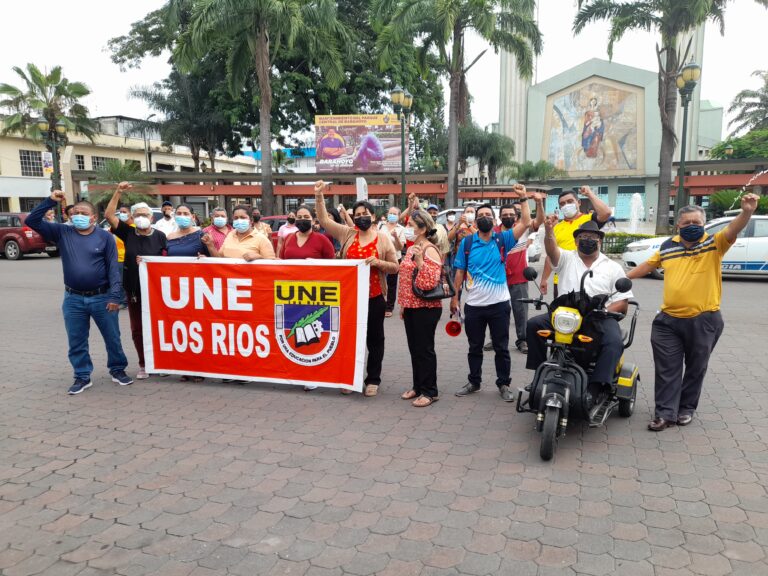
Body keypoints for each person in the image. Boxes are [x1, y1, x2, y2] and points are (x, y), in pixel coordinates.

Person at [627, 197, 760, 431]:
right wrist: (623, 278)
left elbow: (732, 229)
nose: (692, 225)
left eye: (696, 221)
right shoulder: (668, 246)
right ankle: (665, 414)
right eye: (686, 222)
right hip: (667, 321)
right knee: (667, 368)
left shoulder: (714, 243)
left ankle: (686, 408)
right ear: (678, 225)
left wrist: (747, 212)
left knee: (696, 367)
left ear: (704, 223)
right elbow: (649, 265)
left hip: (704, 319)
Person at [26, 190, 132, 394]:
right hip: (73, 298)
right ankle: (82, 376)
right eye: (75, 213)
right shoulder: (62, 232)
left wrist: (114, 296)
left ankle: (117, 369)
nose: (78, 216)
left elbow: (113, 268)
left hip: (102, 297)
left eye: (83, 213)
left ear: (94, 217)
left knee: (113, 337)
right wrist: (50, 201)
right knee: (76, 339)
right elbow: (32, 220)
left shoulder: (105, 237)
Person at [527, 218, 632, 403]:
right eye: (583, 237)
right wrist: (549, 231)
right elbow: (551, 250)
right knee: (533, 325)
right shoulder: (566, 258)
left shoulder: (613, 267)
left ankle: (597, 386)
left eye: (592, 237)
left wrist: (604, 310)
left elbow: (622, 303)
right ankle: (538, 375)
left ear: (599, 241)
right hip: (566, 315)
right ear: (576, 241)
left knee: (614, 343)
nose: (587, 240)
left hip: (599, 316)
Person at [315, 180, 399, 397]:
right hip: (350, 299)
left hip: (374, 297)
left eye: (365, 213)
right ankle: (349, 377)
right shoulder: (347, 234)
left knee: (374, 339)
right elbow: (324, 220)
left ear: (372, 216)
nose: (361, 216)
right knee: (349, 339)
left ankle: (373, 379)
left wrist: (378, 263)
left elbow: (395, 268)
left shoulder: (382, 238)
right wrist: (319, 195)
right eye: (357, 213)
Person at [451, 186, 531, 402]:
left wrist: (523, 198)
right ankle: (474, 382)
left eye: (488, 215)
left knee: (501, 347)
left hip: (499, 304)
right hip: (474, 306)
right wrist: (455, 297)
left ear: (494, 220)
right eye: (481, 216)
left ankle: (504, 384)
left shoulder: (502, 239)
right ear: (475, 222)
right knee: (474, 347)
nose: (484, 218)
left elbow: (525, 222)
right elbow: (460, 270)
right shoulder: (467, 243)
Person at [105, 183, 167, 381]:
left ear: (152, 217)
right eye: (137, 214)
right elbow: (108, 216)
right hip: (134, 291)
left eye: (145, 214)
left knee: (158, 327)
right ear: (132, 218)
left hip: (157, 292)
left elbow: (168, 261)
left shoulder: (161, 236)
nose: (142, 218)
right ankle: (143, 363)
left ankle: (160, 361)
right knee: (137, 328)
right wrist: (119, 192)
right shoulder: (127, 232)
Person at [398, 210, 444, 407]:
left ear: (423, 228)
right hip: (411, 306)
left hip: (427, 307)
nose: (408, 228)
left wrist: (420, 263)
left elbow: (429, 283)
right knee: (414, 349)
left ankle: (430, 391)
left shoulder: (430, 249)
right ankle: (418, 386)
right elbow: (406, 279)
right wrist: (403, 304)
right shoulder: (412, 247)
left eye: (411, 225)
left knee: (425, 350)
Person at [539, 187, 611, 298]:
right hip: (562, 279)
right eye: (562, 204)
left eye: (570, 201)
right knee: (561, 312)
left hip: (587, 277)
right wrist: (544, 278)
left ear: (579, 202)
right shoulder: (556, 227)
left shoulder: (589, 220)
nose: (566, 205)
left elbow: (606, 213)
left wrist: (589, 194)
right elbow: (551, 254)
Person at [502, 196, 545, 354]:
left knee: (520, 311)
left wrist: (539, 203)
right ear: (499, 216)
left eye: (510, 214)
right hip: (499, 280)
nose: (507, 217)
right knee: (499, 312)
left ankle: (523, 340)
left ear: (516, 216)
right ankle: (497, 339)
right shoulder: (494, 231)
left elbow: (539, 220)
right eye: (504, 214)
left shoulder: (523, 229)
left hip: (519, 278)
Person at [379, 206, 406, 318]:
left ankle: (389, 306)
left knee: (392, 283)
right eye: (390, 213)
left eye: (395, 214)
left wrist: (396, 237)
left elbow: (400, 247)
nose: (392, 215)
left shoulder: (401, 229)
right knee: (380, 280)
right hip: (381, 257)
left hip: (395, 258)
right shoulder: (381, 226)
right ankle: (380, 303)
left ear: (399, 216)